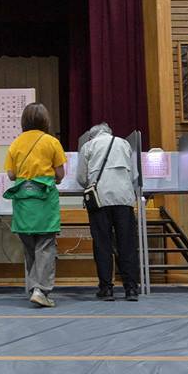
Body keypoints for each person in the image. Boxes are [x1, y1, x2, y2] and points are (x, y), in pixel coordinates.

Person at [3, 103, 66, 308]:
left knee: (29, 247)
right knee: (46, 246)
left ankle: (33, 288)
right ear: (45, 120)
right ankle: (41, 290)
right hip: (45, 200)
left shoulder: (15, 143)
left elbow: (11, 175)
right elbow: (60, 175)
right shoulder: (52, 142)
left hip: (23, 201)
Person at [77, 123, 140, 301]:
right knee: (126, 244)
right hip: (124, 199)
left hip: (100, 200)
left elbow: (81, 177)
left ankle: (106, 289)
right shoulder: (124, 144)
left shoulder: (88, 146)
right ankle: (131, 289)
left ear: (92, 135)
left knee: (102, 244)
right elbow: (134, 175)